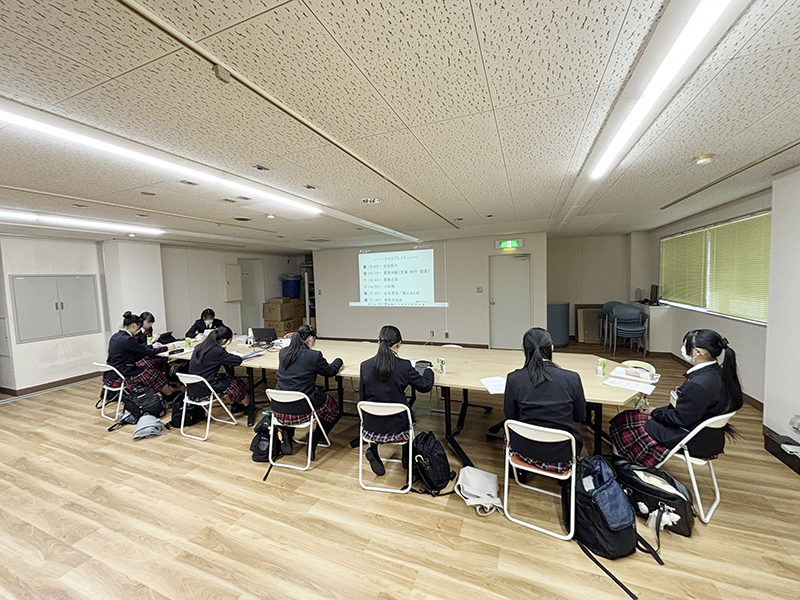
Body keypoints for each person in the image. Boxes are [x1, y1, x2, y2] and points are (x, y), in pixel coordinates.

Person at [609, 329, 743, 467]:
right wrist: (657, 410)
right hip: (707, 436)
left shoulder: (698, 385)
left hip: (691, 439)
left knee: (625, 420)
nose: (683, 349)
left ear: (698, 352)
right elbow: (686, 411)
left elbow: (679, 419)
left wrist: (655, 412)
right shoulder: (718, 373)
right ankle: (622, 459)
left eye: (685, 345)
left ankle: (621, 465)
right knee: (630, 417)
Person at [503, 327, 587, 474]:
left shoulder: (514, 379)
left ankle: (518, 472)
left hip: (523, 449)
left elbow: (510, 415)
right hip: (563, 452)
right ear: (552, 348)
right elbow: (580, 416)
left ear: (524, 350)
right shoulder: (572, 378)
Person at [359, 325, 434, 476]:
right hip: (398, 427)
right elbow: (425, 386)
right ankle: (406, 457)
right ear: (398, 344)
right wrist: (428, 371)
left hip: (370, 426)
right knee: (409, 415)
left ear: (378, 342)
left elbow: (362, 397)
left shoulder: (365, 366)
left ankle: (373, 449)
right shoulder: (404, 366)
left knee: (377, 408)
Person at [274, 325, 343, 459]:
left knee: (294, 397)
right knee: (331, 405)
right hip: (301, 408)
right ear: (310, 338)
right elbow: (330, 372)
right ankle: (316, 436)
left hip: (278, 408)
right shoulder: (313, 356)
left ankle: (286, 432)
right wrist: (338, 361)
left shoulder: (283, 353)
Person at [104, 311, 177, 400]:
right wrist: (166, 348)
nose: (139, 331)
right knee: (155, 373)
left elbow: (139, 348)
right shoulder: (128, 339)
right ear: (134, 326)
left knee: (149, 365)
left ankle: (163, 391)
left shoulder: (115, 336)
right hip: (124, 373)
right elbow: (146, 352)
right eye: (139, 328)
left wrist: (152, 346)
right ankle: (169, 394)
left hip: (113, 372)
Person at [187, 326, 249, 413]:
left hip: (192, 390)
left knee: (226, 377)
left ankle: (235, 405)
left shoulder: (198, 347)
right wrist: (224, 352)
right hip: (206, 390)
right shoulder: (217, 351)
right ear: (224, 340)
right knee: (237, 383)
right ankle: (248, 408)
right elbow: (237, 360)